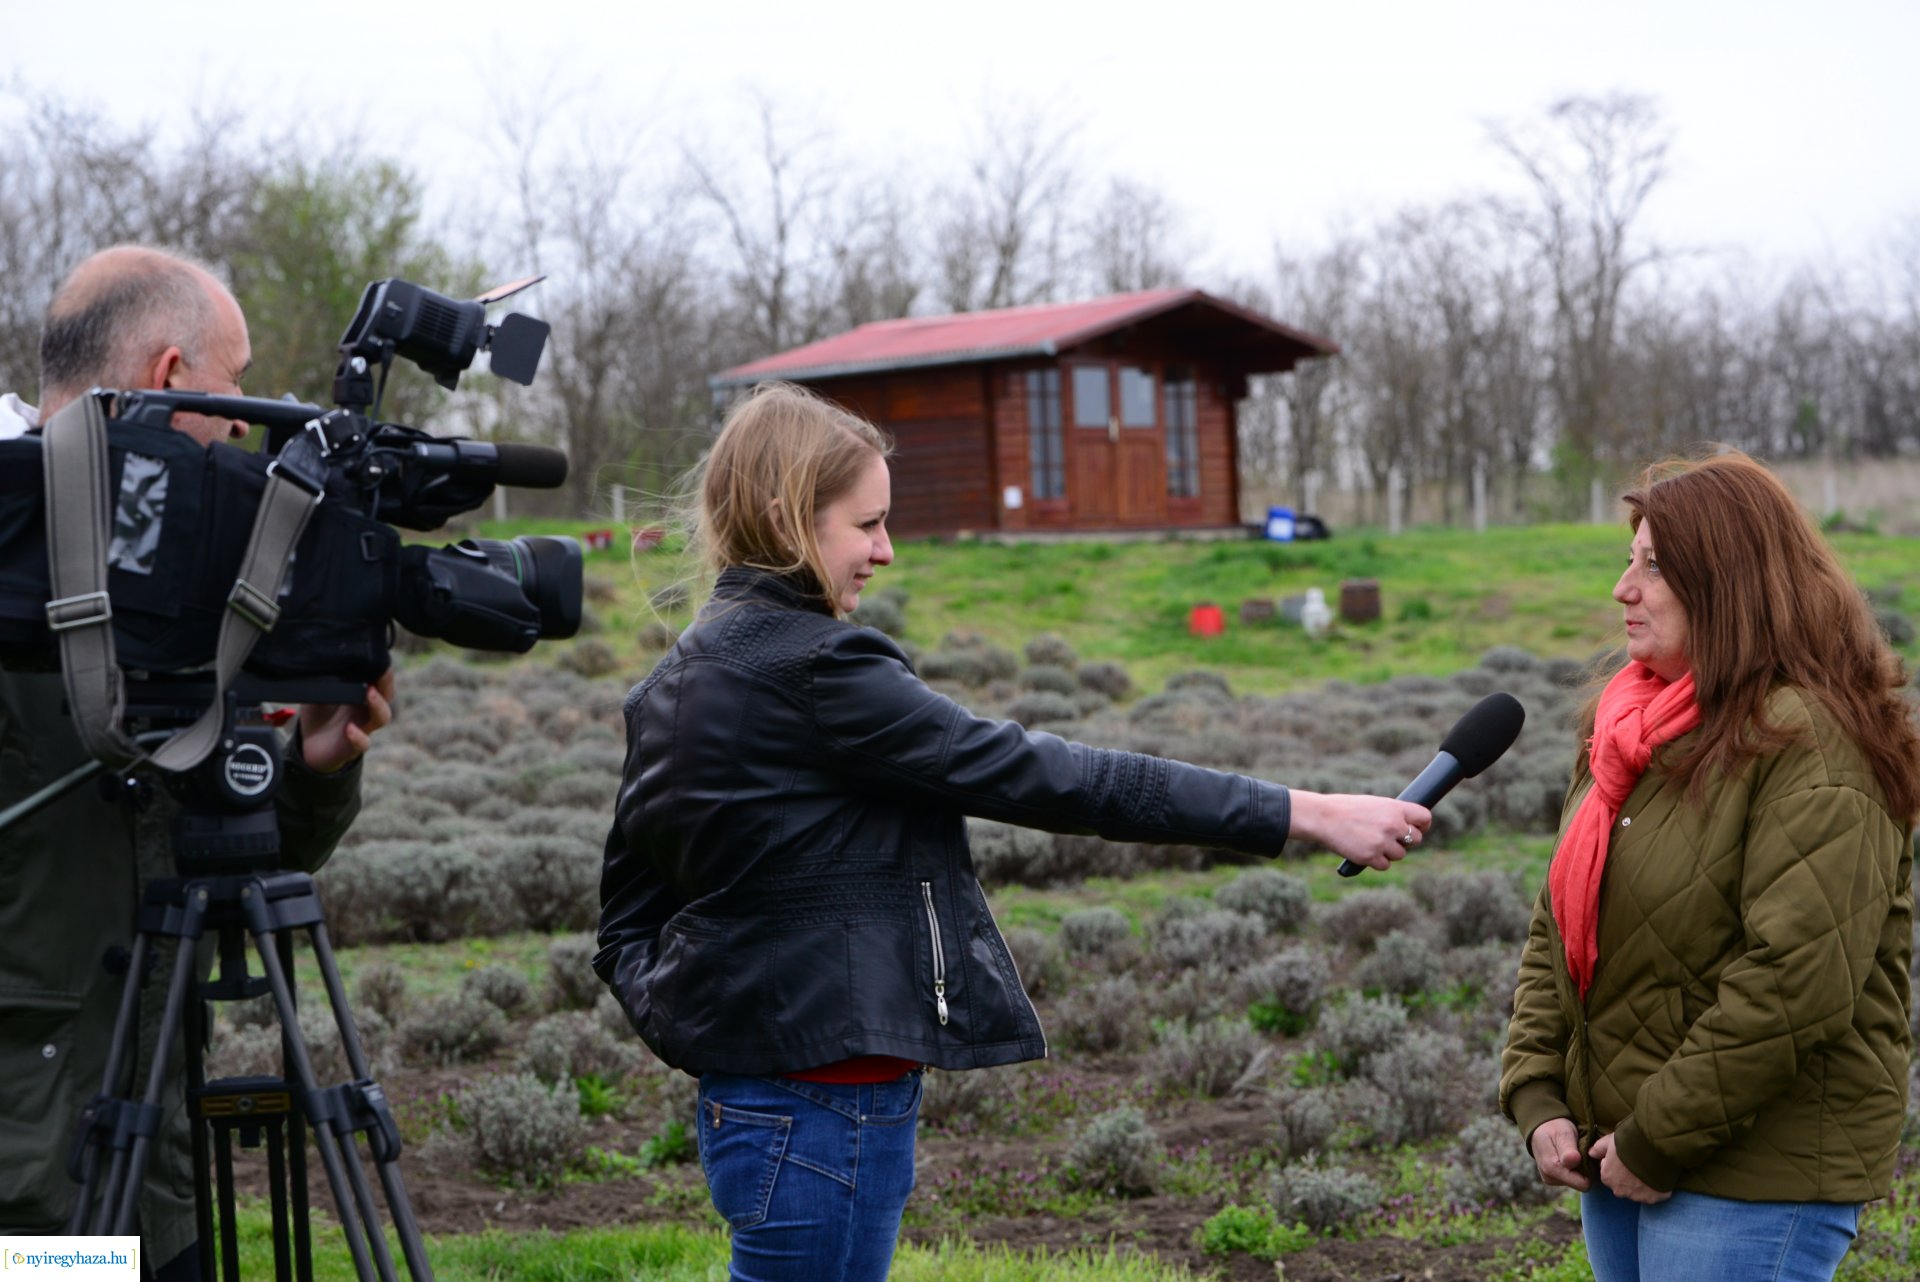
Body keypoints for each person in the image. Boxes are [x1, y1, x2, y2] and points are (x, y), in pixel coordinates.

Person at [595, 381, 1432, 1282]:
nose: (885, 549)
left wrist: (708, 1025)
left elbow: (625, 921)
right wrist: (1305, 812)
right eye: (866, 524)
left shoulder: (679, 677)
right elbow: (1054, 777)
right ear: (786, 515)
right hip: (824, 1106)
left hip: (757, 1102)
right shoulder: (820, 669)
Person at [0, 246, 395, 1280]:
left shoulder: (185, 582)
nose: (246, 422)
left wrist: (307, 768)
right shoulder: (10, 562)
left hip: (155, 1160)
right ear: (171, 378)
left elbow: (230, 857)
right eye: (238, 384)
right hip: (32, 1182)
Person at [1501, 451, 1918, 1282]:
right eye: (1631, 559)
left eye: (1654, 567)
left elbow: (1795, 981)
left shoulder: (1814, 745)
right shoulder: (1630, 730)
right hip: (1621, 1149)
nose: (1624, 588)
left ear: (1730, 583)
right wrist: (1539, 1090)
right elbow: (1564, 922)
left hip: (1754, 1169)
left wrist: (1659, 1137)